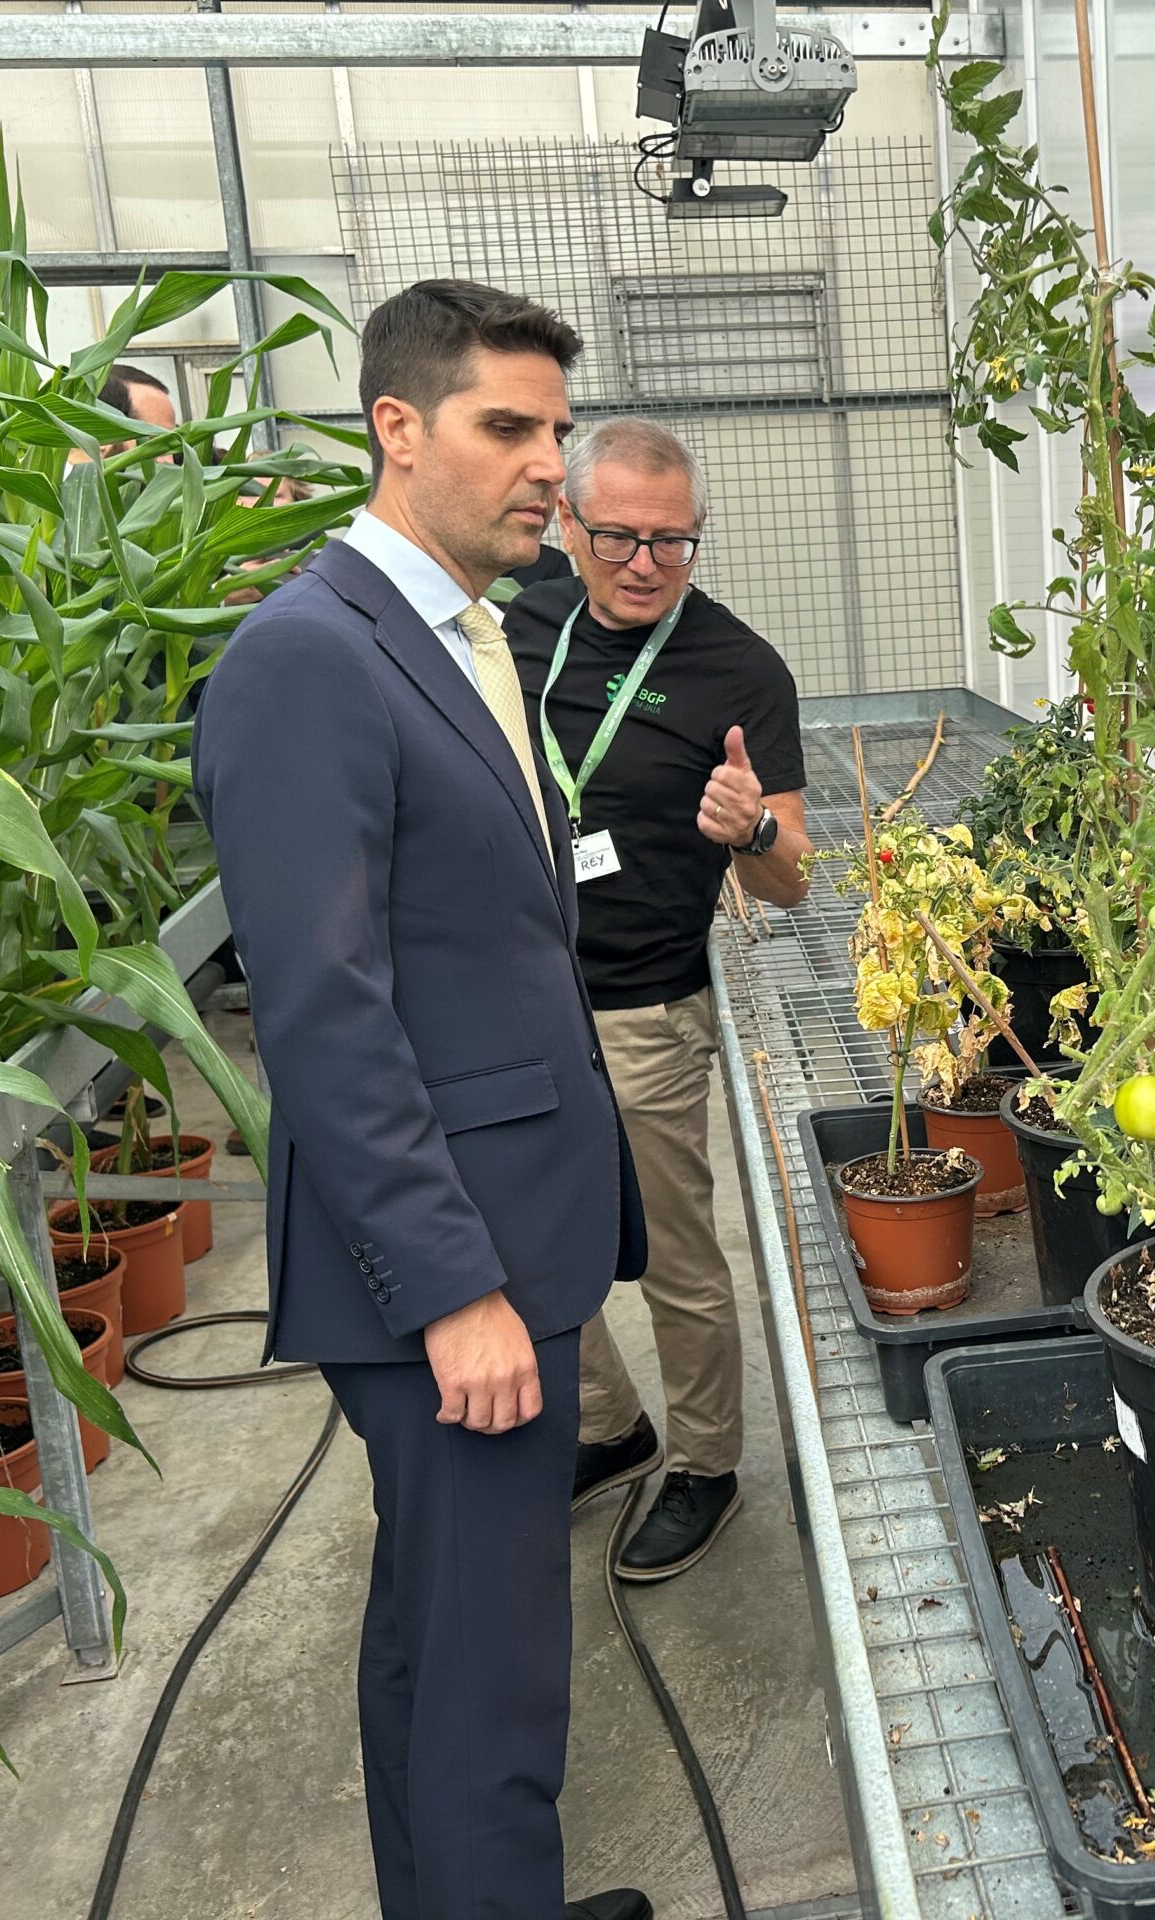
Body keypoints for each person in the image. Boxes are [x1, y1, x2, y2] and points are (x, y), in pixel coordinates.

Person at [192, 279, 651, 1920]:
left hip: (501, 1230)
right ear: (397, 428)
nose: (551, 467)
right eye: (507, 428)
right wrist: (454, 1289)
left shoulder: (462, 630)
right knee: (495, 1673)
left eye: (557, 429)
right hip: (453, 1267)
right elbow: (323, 1016)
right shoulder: (309, 660)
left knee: (446, 1639)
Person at [505, 417, 811, 1582]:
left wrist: (753, 834)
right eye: (621, 536)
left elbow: (789, 885)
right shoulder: (520, 624)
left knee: (675, 1252)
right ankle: (607, 1426)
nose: (645, 563)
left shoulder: (739, 670)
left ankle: (706, 1463)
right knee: (538, 1241)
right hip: (519, 1002)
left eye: (674, 540)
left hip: (645, 1008)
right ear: (569, 527)